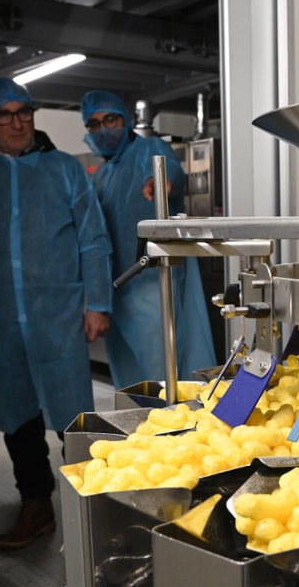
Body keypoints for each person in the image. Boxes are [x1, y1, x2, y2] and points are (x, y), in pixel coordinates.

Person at [0, 78, 113, 549]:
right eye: (5, 114)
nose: (18, 122)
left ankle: (92, 509)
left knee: (74, 416)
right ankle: (36, 505)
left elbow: (92, 239)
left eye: (24, 111)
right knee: (17, 416)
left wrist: (97, 303)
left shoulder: (63, 170)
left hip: (57, 313)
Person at [81, 90, 215, 390]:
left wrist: (160, 181)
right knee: (129, 380)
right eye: (94, 124)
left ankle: (175, 432)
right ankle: (141, 432)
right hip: (116, 289)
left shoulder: (149, 149)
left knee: (163, 375)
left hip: (153, 283)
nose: (103, 129)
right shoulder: (102, 174)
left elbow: (171, 173)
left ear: (125, 120)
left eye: (110, 120)